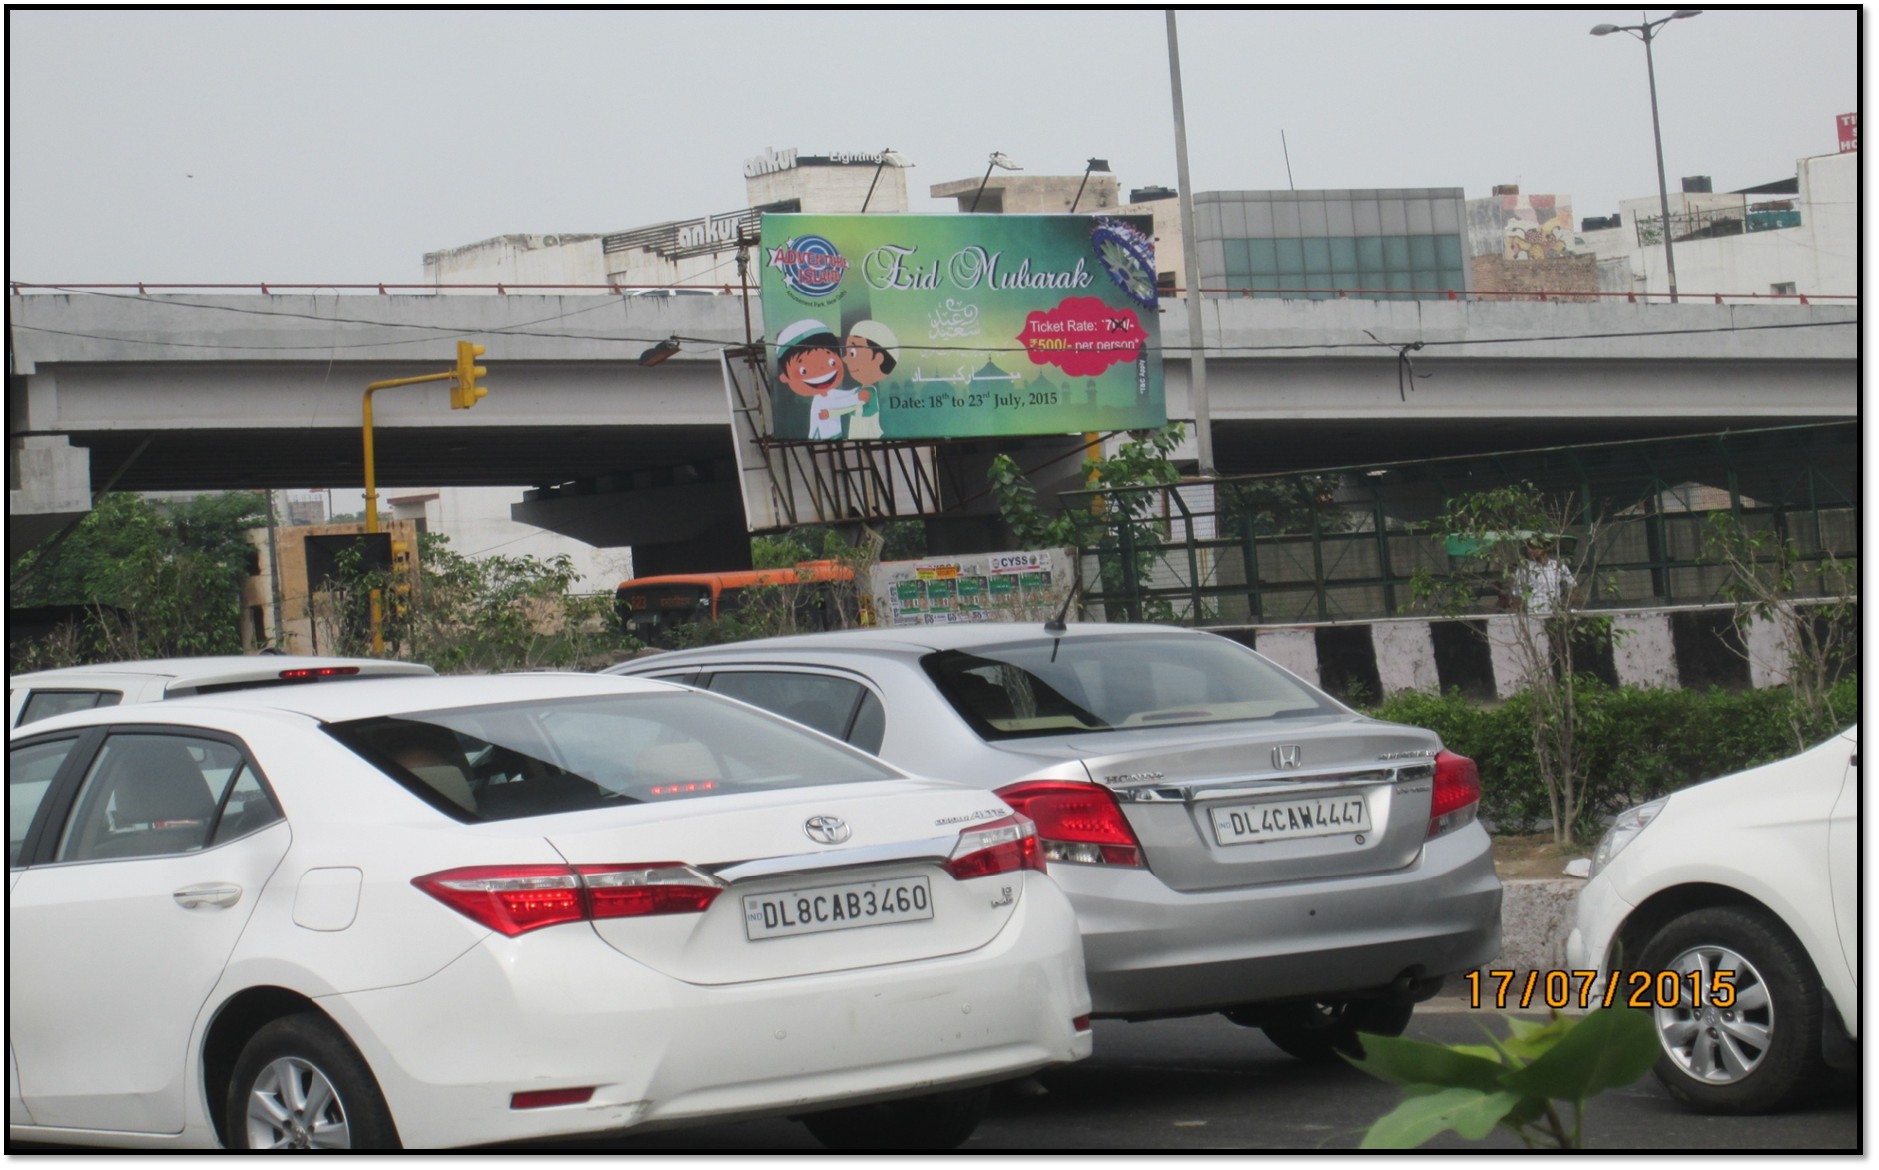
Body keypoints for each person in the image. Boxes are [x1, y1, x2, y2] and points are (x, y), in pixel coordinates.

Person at [774, 318, 859, 441]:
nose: (820, 371)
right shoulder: (816, 401)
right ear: (785, 378)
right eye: (804, 370)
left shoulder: (830, 394)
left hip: (840, 436)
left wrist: (857, 393)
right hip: (830, 437)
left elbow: (844, 397)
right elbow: (816, 424)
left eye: (831, 361)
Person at [841, 320, 899, 440]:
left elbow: (870, 410)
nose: (846, 359)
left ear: (878, 359)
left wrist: (851, 409)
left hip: (865, 429)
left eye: (852, 353)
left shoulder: (869, 392)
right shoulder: (862, 389)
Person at [1511, 536, 1576, 616]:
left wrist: (1565, 605)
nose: (1530, 551)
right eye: (1528, 548)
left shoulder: (1558, 566)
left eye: (1533, 547)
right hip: (1533, 616)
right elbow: (1517, 595)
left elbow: (1573, 586)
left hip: (1554, 615)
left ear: (1546, 548)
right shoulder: (1525, 569)